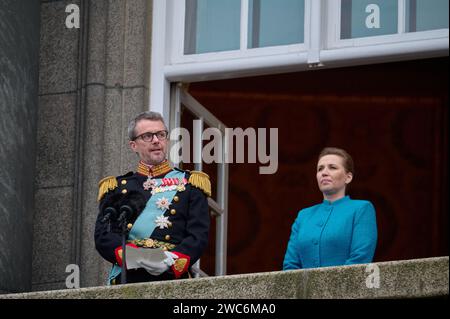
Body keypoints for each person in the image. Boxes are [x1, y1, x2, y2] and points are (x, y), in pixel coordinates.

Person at [95, 111, 211, 285]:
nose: (156, 140)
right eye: (148, 136)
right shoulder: (116, 187)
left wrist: (174, 260)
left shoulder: (190, 183)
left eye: (161, 134)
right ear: (133, 145)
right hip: (128, 277)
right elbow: (103, 235)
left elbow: (198, 234)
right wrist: (134, 256)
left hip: (172, 276)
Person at [283, 147, 377, 270]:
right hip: (305, 289)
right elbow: (290, 265)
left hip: (346, 288)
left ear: (348, 177)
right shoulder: (304, 215)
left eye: (332, 167)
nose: (324, 172)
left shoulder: (361, 209)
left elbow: (360, 259)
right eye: (320, 169)